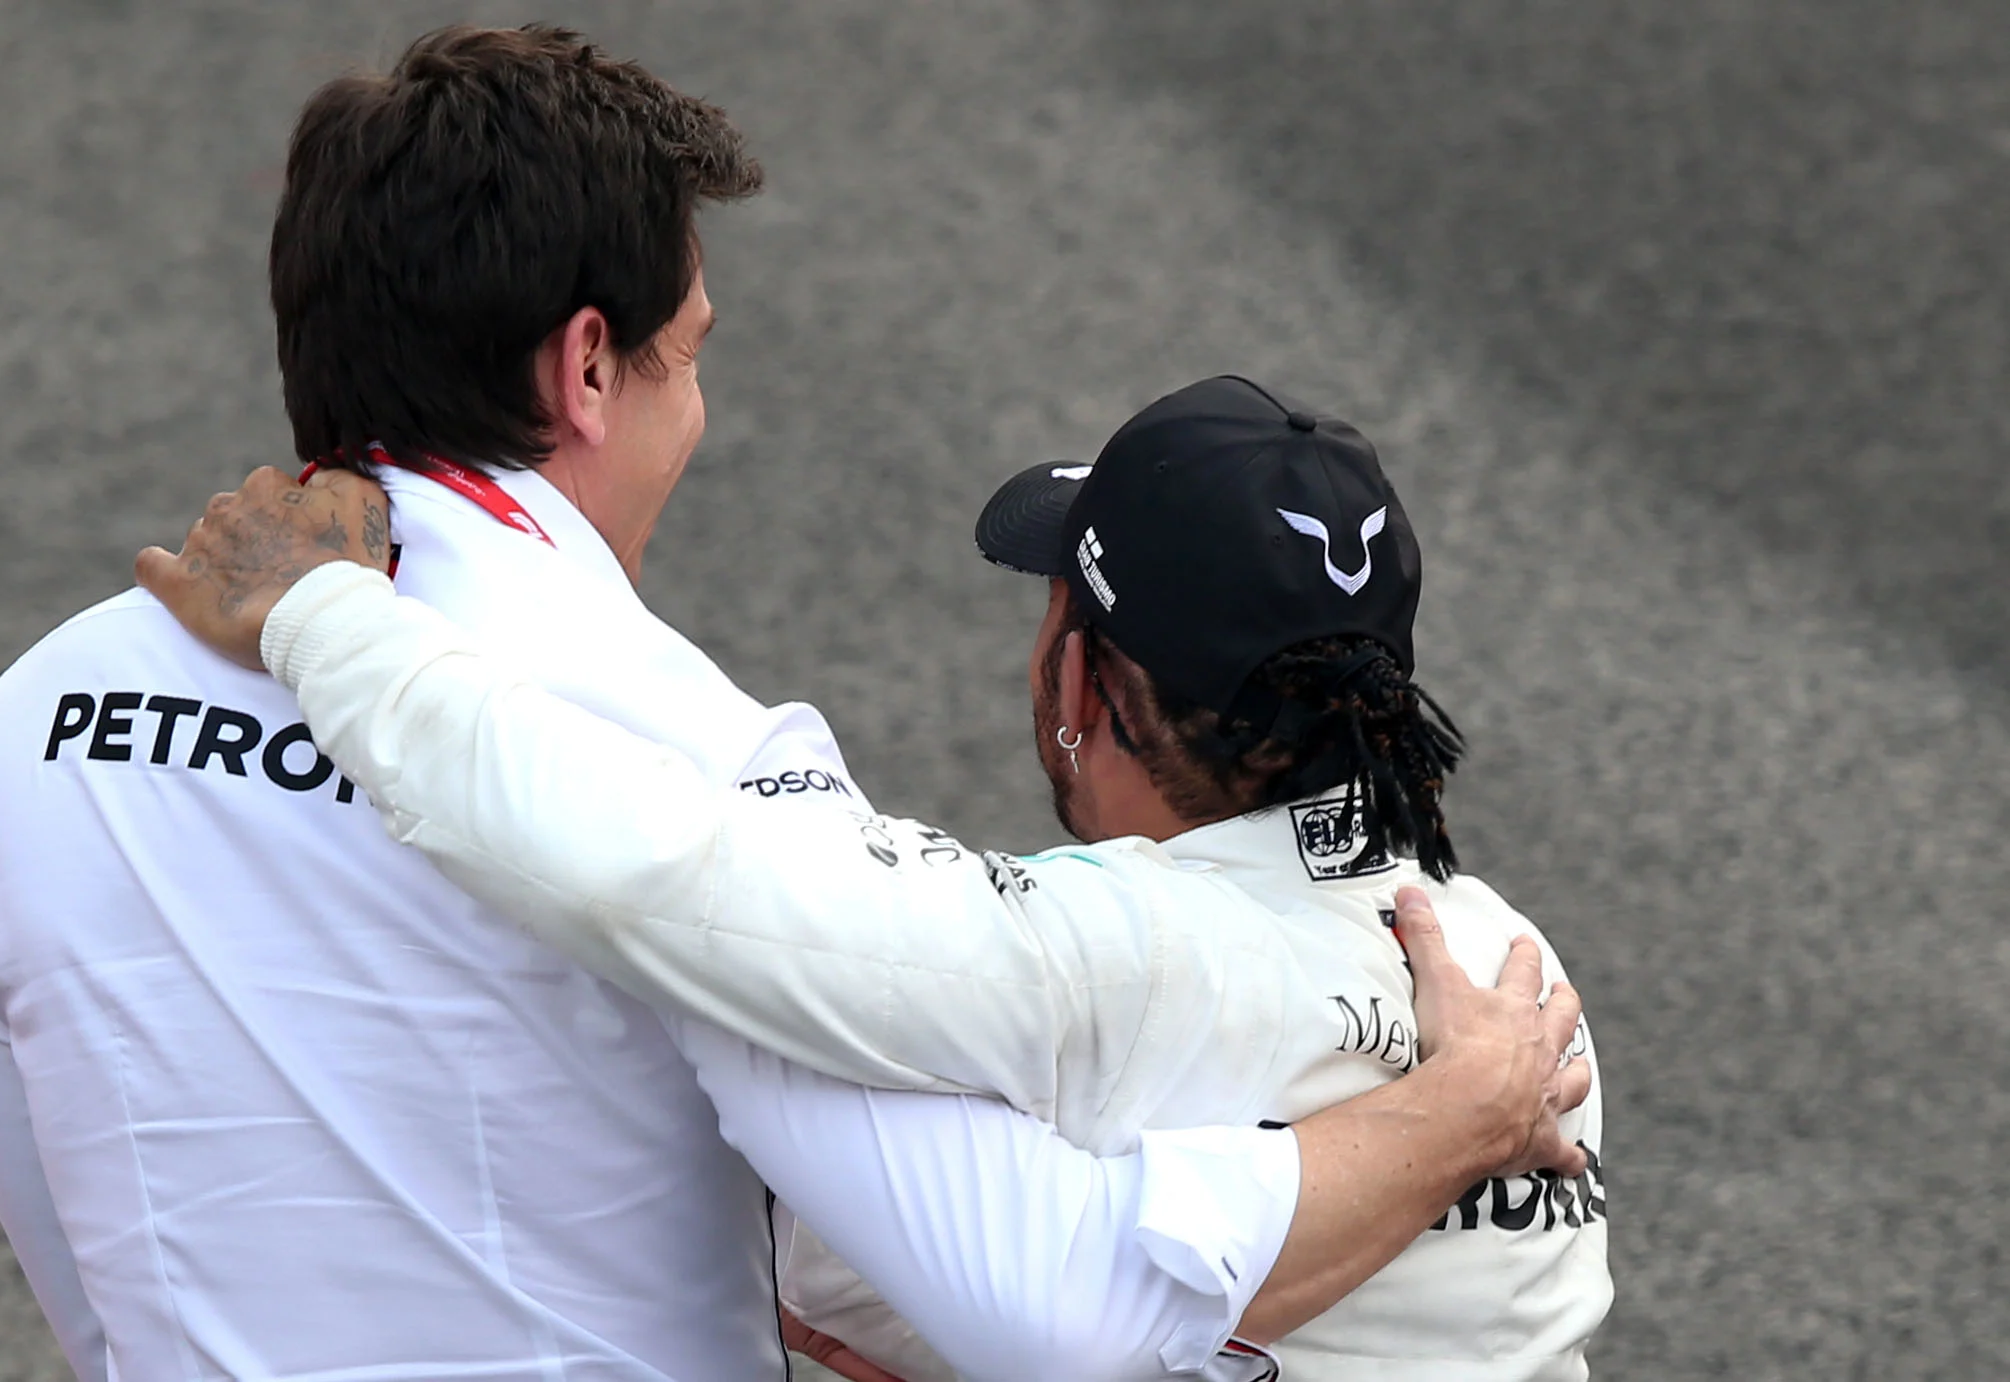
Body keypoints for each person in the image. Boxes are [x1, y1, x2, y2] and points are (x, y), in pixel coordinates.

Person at [0, 25, 1586, 1382]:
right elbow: (1056, 1303)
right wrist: (1463, 1105)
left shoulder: (35, 718)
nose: (695, 411)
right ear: (586, 369)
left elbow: (73, 1259)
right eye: (691, 354)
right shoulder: (697, 757)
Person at [132, 376, 1611, 1379]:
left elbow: (648, 873)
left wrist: (325, 617)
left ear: (1086, 678)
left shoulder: (1106, 963)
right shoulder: (1518, 984)